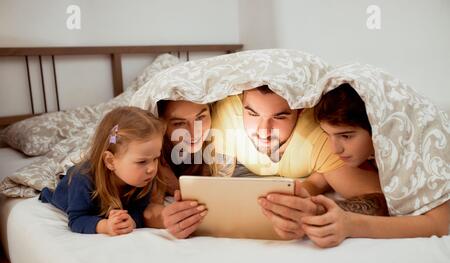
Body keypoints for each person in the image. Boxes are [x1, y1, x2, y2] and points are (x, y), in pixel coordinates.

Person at [210, 86, 388, 240]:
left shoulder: (321, 135)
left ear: (301, 111)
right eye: (252, 114)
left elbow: (377, 198)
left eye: (280, 117)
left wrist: (316, 210)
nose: (264, 131)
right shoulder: (228, 113)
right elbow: (212, 183)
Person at [295, 83, 448, 248]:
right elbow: (322, 176)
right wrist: (300, 195)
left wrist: (352, 225)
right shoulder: (368, 149)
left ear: (379, 127)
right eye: (327, 134)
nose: (334, 149)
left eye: (346, 136)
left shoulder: (422, 145)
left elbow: (439, 224)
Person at [39, 107, 165, 236]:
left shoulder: (143, 177)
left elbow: (139, 210)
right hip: (69, 190)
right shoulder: (82, 180)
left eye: (155, 158)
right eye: (141, 162)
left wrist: (132, 221)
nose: (152, 169)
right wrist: (104, 226)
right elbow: (77, 220)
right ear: (110, 161)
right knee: (64, 187)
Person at [143, 100, 211, 238]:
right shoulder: (154, 154)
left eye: (200, 118)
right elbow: (148, 210)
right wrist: (166, 218)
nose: (193, 133)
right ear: (162, 125)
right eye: (179, 123)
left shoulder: (225, 137)